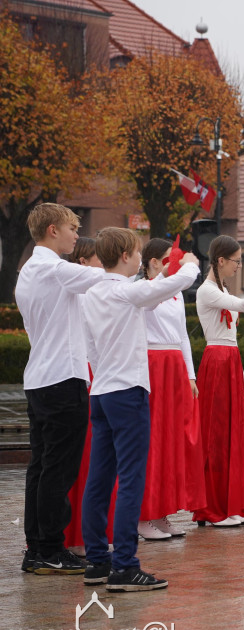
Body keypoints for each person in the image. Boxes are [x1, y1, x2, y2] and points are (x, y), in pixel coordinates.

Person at [80, 227, 200, 591]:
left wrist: (102, 378)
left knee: (99, 478)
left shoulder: (92, 293)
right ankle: (125, 566)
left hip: (101, 392)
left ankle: (98, 561)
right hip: (127, 391)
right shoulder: (126, 291)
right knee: (131, 477)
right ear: (128, 256)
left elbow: (91, 349)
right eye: (135, 251)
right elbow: (170, 285)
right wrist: (191, 265)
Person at [16, 204, 106, 575]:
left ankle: (38, 547)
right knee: (57, 469)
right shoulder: (56, 269)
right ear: (53, 230)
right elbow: (108, 278)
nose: (76, 234)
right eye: (73, 227)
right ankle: (49, 548)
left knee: (40, 467)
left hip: (39, 380)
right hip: (62, 380)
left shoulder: (28, 271)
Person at [192, 236, 244, 527]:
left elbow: (233, 339)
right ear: (221, 260)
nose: (239, 265)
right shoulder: (207, 291)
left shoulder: (221, 290)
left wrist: (243, 377)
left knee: (231, 438)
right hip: (216, 363)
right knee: (216, 437)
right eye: (237, 260)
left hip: (230, 363)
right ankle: (212, 510)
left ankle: (228, 504)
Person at [137, 239, 206, 540]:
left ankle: (163, 512)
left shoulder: (175, 294)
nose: (172, 265)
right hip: (153, 365)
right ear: (153, 262)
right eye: (167, 260)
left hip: (174, 367)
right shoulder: (146, 290)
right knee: (153, 441)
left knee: (172, 442)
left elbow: (183, 337)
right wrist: (180, 270)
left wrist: (190, 375)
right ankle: (143, 516)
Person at [62, 237, 114, 556]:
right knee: (79, 456)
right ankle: (75, 535)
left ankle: (89, 531)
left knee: (96, 456)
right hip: (81, 374)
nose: (103, 268)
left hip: (96, 372)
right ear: (83, 263)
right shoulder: (77, 295)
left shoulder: (94, 294)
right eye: (99, 260)